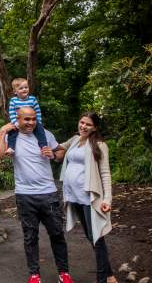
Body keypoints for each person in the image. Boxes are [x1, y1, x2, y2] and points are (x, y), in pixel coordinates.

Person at [0, 107, 74, 283]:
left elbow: (60, 152)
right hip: (25, 195)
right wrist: (1, 132)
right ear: (18, 119)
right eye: (26, 119)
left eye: (33, 119)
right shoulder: (11, 136)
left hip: (48, 194)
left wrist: (53, 154)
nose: (30, 123)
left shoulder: (45, 134)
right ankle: (34, 275)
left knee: (57, 235)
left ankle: (64, 273)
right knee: (30, 237)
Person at [57, 112, 117, 283]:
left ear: (95, 128)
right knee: (92, 237)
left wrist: (107, 199)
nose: (83, 126)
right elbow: (58, 146)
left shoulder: (99, 145)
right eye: (82, 122)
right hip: (74, 197)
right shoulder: (75, 139)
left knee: (97, 238)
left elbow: (105, 174)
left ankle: (102, 279)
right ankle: (110, 275)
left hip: (89, 198)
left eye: (88, 125)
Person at [7, 77, 48, 156]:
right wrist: (14, 122)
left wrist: (38, 121)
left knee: (40, 130)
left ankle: (43, 145)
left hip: (33, 121)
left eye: (26, 87)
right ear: (15, 91)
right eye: (21, 88)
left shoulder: (32, 99)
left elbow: (37, 110)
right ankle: (11, 147)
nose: (24, 89)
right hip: (18, 122)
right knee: (12, 132)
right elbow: (11, 112)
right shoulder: (13, 101)